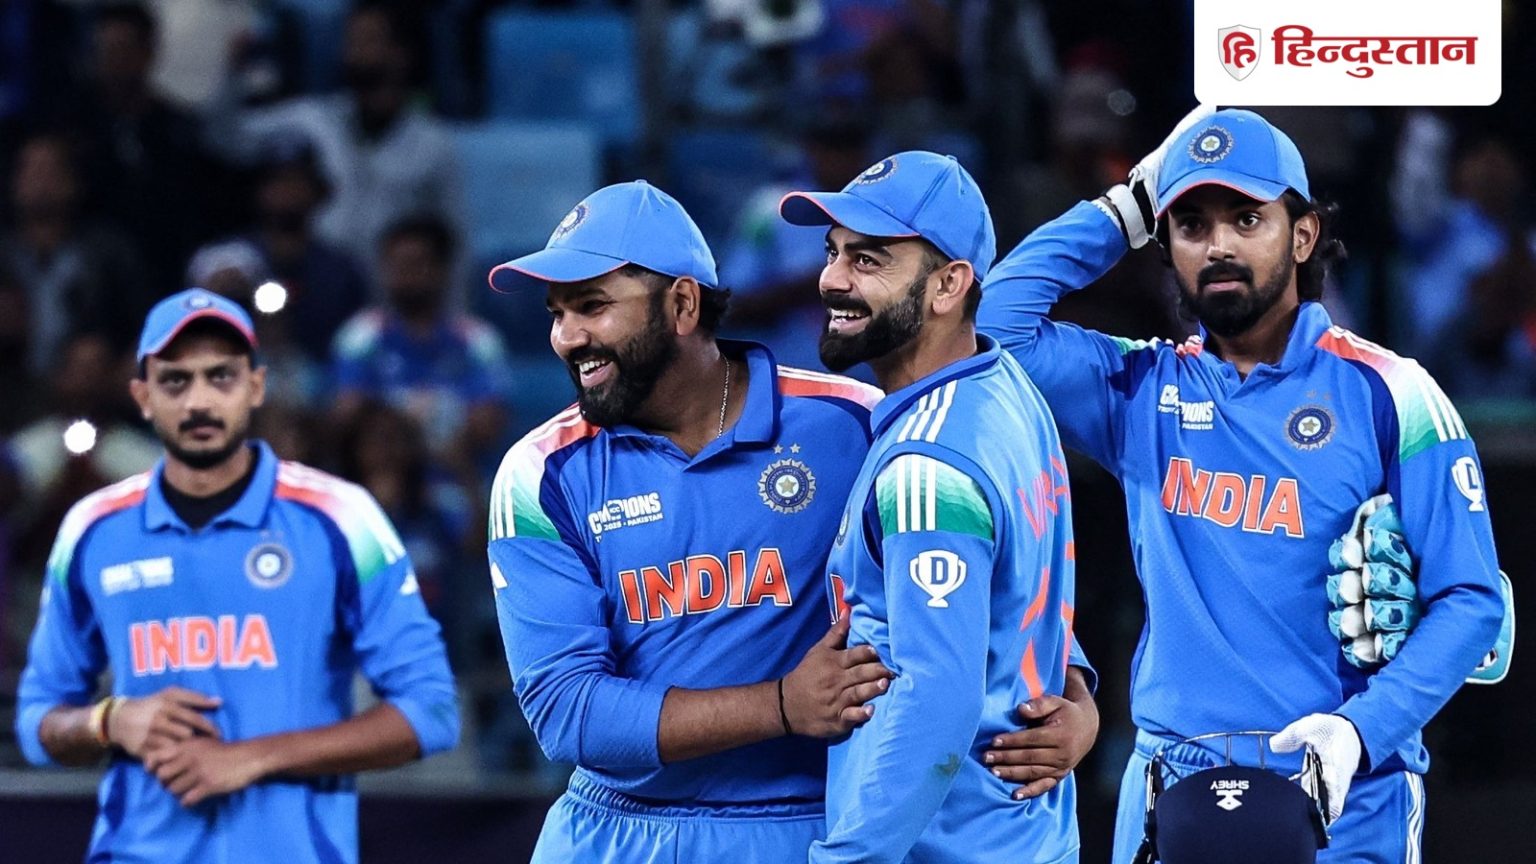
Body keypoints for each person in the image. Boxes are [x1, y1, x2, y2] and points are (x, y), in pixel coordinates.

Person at [485, 180, 1098, 863]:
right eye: (557, 313)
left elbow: (982, 565)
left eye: (592, 307)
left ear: (683, 304)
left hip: (807, 827)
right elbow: (567, 713)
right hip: (612, 833)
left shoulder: (854, 422)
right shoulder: (538, 474)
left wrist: (1072, 693)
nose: (567, 338)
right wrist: (780, 705)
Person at [977, 106, 1505, 862]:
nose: (1218, 245)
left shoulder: (1394, 393)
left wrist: (1361, 730)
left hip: (1348, 783)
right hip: (1172, 780)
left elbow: (1472, 601)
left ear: (1303, 235)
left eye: (1247, 219)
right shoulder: (1141, 388)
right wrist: (1127, 208)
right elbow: (994, 326)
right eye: (1191, 225)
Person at [14, 288, 459, 864]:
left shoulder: (341, 517)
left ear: (255, 385)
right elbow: (37, 721)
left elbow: (431, 711)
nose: (199, 400)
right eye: (176, 381)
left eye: (220, 377)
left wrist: (250, 757)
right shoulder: (93, 528)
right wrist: (108, 721)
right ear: (143, 396)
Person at [779, 151, 1086, 862]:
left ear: (950, 285)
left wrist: (850, 859)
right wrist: (1078, 690)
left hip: (946, 845)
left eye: (868, 260)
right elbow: (1024, 584)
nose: (832, 279)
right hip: (1029, 837)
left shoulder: (927, 464)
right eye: (833, 252)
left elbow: (937, 698)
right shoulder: (1006, 386)